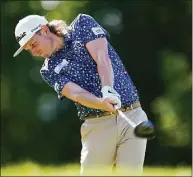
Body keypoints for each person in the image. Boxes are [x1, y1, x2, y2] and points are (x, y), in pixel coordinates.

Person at [13, 14, 148, 175]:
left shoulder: (82, 24)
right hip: (97, 126)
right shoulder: (48, 70)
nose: (34, 52)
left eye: (33, 44)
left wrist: (108, 89)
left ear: (44, 30)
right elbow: (76, 94)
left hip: (132, 116)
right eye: (29, 49)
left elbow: (101, 57)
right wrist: (101, 102)